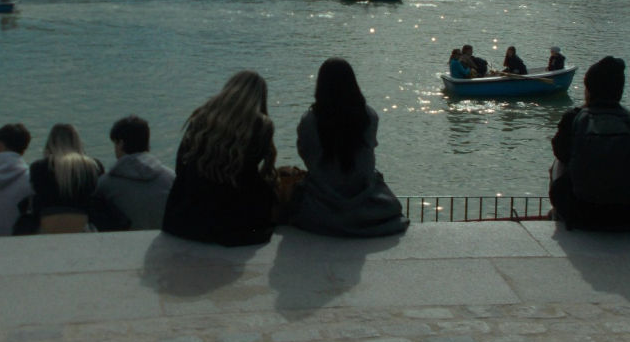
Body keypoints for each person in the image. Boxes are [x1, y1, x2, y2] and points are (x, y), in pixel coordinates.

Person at [286, 58, 407, 237]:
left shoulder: (309, 121)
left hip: (321, 201)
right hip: (365, 198)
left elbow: (307, 156)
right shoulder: (369, 116)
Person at [549, 57, 630, 230]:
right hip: (628, 214)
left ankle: (556, 215)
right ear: (619, 92)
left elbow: (561, 152)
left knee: (560, 159)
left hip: (579, 212)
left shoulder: (574, 119)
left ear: (588, 90)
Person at [162, 70, 278, 246]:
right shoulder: (261, 125)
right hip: (231, 226)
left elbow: (181, 167)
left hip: (183, 221)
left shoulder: (200, 117)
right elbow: (253, 173)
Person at [90, 115, 176, 231]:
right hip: (162, 242)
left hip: (121, 245)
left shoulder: (105, 184)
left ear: (120, 143)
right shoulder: (171, 178)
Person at [21, 123, 105, 232]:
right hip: (85, 223)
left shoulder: (38, 167)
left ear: (50, 143)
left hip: (47, 223)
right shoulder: (93, 166)